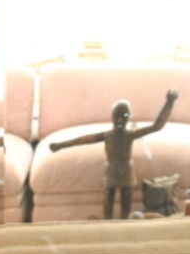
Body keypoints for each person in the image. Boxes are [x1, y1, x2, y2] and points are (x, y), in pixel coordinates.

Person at [48, 88, 179, 219]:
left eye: (124, 116)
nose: (121, 120)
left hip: (126, 171)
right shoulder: (108, 135)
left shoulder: (130, 135)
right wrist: (60, 145)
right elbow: (82, 140)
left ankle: (123, 224)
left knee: (126, 199)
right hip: (111, 170)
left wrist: (169, 104)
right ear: (112, 116)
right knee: (108, 196)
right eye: (118, 116)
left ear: (129, 117)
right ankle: (107, 222)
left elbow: (157, 126)